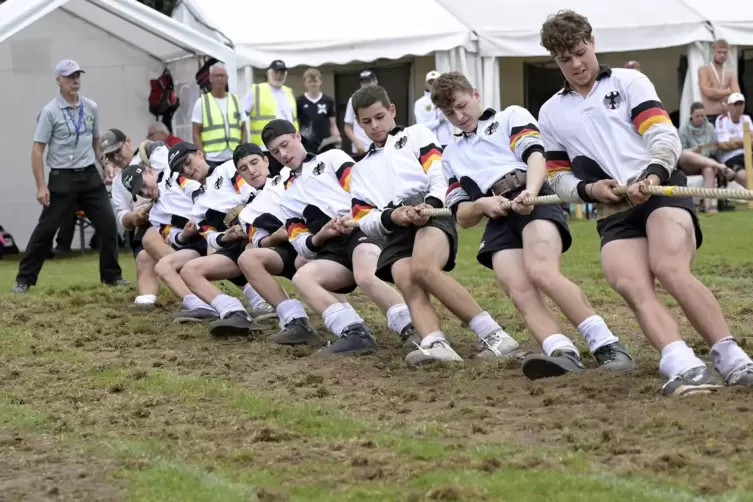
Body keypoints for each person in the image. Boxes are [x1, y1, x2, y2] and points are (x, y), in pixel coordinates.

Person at [538, 9, 753, 396]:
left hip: (661, 191)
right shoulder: (551, 111)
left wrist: (651, 176)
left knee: (669, 267)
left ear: (593, 42)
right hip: (613, 209)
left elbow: (664, 138)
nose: (575, 65)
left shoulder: (629, 81)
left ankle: (731, 356)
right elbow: (557, 175)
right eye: (564, 59)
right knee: (629, 282)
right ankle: (680, 362)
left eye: (580, 52)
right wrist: (589, 191)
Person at [431, 71, 634, 379]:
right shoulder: (450, 154)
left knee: (543, 272)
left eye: (461, 105)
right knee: (519, 289)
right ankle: (560, 350)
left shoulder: (511, 115)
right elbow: (461, 215)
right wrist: (481, 205)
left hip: (533, 198)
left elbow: (536, 156)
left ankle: (608, 345)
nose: (459, 116)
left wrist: (532, 190)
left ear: (475, 94)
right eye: (449, 113)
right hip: (496, 215)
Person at [346, 85, 516, 365]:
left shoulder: (416, 135)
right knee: (405, 278)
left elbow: (439, 172)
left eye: (379, 117)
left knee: (423, 269)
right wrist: (393, 216)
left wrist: (430, 203)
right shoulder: (360, 170)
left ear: (391, 111)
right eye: (366, 122)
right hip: (397, 224)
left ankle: (495, 336)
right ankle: (435, 343)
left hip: (434, 211)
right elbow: (364, 218)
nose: (374, 126)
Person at [264, 119, 416, 355]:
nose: (282, 154)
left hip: (362, 230)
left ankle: (411, 328)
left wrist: (352, 216)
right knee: (302, 277)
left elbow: (364, 190)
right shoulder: (286, 196)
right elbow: (301, 244)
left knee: (365, 274)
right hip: (332, 248)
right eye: (275, 151)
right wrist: (321, 235)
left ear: (297, 136)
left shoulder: (332, 158)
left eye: (285, 144)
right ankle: (354, 332)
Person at [12, 59, 126, 293]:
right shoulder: (50, 112)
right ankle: (24, 280)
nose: (75, 81)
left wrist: (105, 164)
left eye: (77, 76)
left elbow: (97, 142)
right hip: (62, 178)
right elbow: (37, 150)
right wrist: (41, 186)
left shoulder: (91, 107)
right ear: (58, 81)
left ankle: (112, 277)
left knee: (108, 225)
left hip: (89, 177)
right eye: (69, 77)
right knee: (45, 231)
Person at [179, 144, 293, 334]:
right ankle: (233, 313)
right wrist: (225, 236)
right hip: (235, 244)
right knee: (189, 271)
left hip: (260, 232)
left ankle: (282, 310)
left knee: (250, 253)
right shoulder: (198, 203)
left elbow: (255, 190)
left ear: (200, 154)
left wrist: (243, 212)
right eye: (181, 170)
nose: (187, 171)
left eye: (188, 163)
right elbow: (210, 237)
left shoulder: (228, 169)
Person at [104, 130, 173, 305]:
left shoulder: (151, 152)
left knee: (153, 245)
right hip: (146, 223)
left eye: (117, 152)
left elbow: (171, 177)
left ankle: (189, 280)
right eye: (110, 157)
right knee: (143, 257)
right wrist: (133, 217)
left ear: (128, 141)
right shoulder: (118, 180)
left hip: (172, 214)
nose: (115, 158)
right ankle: (147, 299)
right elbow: (122, 216)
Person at [191, 63, 248, 167]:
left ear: (227, 78)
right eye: (216, 76)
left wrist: (242, 151)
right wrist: (202, 154)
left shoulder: (236, 101)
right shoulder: (202, 102)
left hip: (234, 157)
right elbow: (196, 133)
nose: (219, 79)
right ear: (210, 78)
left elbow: (243, 129)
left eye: (222, 76)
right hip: (212, 158)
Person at [243, 60, 299, 147]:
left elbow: (294, 119)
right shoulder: (256, 90)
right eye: (275, 72)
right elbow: (241, 116)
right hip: (264, 146)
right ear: (268, 73)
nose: (278, 76)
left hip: (288, 145)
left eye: (282, 73)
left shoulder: (289, 91)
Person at [297, 68, 340, 153]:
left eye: (315, 81)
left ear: (320, 82)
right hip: (307, 144)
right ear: (305, 83)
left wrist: (336, 138)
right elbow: (296, 123)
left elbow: (333, 124)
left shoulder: (328, 100)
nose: (313, 84)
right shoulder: (299, 101)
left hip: (325, 144)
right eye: (310, 82)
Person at [698, 39, 740, 124]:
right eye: (719, 52)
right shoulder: (704, 70)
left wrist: (716, 92)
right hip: (709, 115)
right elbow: (708, 92)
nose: (722, 55)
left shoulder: (730, 73)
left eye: (725, 52)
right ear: (713, 52)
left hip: (727, 115)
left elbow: (736, 96)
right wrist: (728, 91)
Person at [715, 92, 752, 188]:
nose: (739, 107)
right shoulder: (722, 119)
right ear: (729, 106)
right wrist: (745, 140)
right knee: (745, 178)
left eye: (741, 104)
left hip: (747, 153)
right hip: (730, 157)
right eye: (736, 104)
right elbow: (724, 144)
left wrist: (736, 141)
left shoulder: (746, 118)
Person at [343, 70, 379, 156]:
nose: (366, 85)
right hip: (360, 149)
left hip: (379, 147)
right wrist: (357, 143)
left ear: (376, 81)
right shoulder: (353, 100)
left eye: (369, 81)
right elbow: (347, 127)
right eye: (363, 82)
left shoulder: (382, 99)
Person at [413, 70, 453, 147]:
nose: (433, 85)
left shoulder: (448, 99)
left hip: (448, 142)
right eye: (430, 82)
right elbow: (421, 126)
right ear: (426, 84)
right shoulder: (420, 103)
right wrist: (438, 121)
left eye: (436, 82)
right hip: (429, 143)